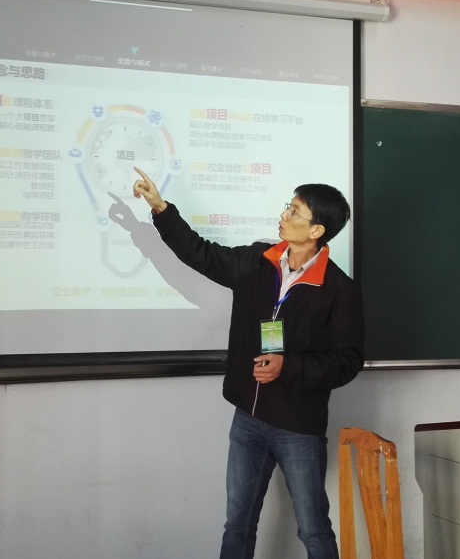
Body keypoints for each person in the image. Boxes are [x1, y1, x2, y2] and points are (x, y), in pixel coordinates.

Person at [131, 167, 364, 559]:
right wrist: (160, 208)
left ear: (317, 230)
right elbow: (201, 253)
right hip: (248, 420)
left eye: (295, 212)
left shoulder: (339, 289)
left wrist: (288, 366)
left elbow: (347, 361)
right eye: (288, 207)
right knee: (237, 524)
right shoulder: (258, 260)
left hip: (297, 426)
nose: (284, 215)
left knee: (313, 530)